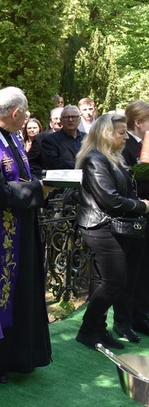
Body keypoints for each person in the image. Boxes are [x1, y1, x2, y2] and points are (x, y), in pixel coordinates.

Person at [0, 87, 53, 384]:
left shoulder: (13, 137)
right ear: (16, 112)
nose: (29, 116)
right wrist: (38, 190)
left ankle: (22, 355)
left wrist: (39, 183)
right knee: (2, 295)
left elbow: (20, 177)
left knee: (24, 293)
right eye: (26, 111)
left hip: (22, 228)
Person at [74, 114, 149, 350]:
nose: (126, 137)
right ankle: (88, 329)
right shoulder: (95, 159)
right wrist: (142, 206)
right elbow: (110, 199)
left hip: (109, 227)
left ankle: (97, 329)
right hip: (100, 227)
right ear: (107, 133)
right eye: (121, 133)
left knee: (101, 281)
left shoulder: (111, 158)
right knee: (115, 282)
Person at [122, 101, 149, 336]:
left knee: (145, 270)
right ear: (139, 122)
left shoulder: (142, 143)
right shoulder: (126, 144)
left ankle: (141, 315)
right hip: (133, 215)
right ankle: (129, 319)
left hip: (145, 214)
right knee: (134, 270)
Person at [42, 105, 85, 171]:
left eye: (74, 117)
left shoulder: (87, 138)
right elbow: (54, 162)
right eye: (66, 117)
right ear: (61, 120)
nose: (70, 120)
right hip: (64, 179)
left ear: (79, 120)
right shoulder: (50, 140)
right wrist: (81, 165)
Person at [27, 107, 63, 178]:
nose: (58, 121)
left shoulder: (76, 137)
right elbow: (31, 161)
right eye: (55, 118)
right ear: (51, 121)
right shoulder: (41, 138)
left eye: (61, 118)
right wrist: (43, 173)